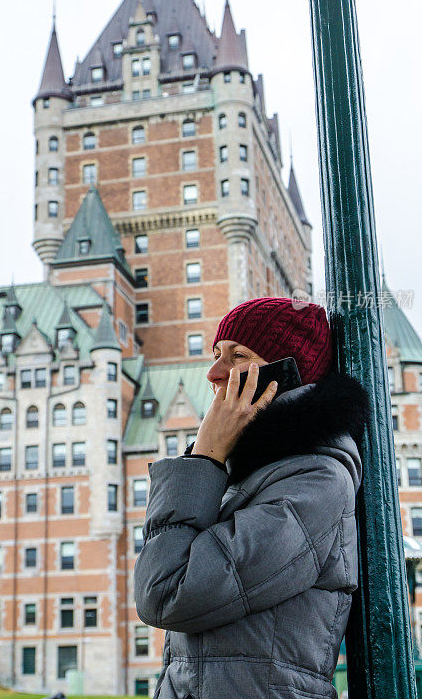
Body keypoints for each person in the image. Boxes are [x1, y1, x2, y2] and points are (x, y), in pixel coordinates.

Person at [134, 297, 371, 699]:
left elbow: (166, 592)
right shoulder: (243, 472)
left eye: (237, 355)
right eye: (215, 355)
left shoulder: (315, 480)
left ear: (288, 374)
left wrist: (204, 456)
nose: (213, 373)